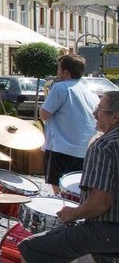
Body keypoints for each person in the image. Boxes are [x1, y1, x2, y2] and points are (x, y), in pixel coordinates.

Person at [5, 91, 119, 263]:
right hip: (111, 237)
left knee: (30, 249)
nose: (94, 113)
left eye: (99, 109)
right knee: (103, 258)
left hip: (109, 230)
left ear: (114, 116)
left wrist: (72, 213)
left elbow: (100, 203)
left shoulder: (105, 145)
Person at [41, 53, 99, 194]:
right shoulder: (90, 92)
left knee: (59, 193)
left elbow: (44, 114)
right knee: (76, 192)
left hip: (61, 148)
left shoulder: (61, 87)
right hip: (84, 150)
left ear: (66, 72)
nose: (57, 72)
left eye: (59, 69)